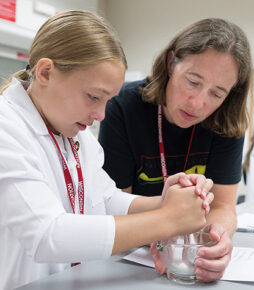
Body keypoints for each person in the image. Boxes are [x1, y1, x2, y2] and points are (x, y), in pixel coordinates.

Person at [0, 11, 215, 290]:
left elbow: (103, 199)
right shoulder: (7, 127)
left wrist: (165, 201)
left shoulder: (75, 131)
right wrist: (167, 220)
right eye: (93, 97)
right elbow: (47, 235)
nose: (101, 115)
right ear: (45, 72)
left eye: (107, 101)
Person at [99, 18, 253, 282]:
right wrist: (165, 228)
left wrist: (215, 239)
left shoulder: (226, 121)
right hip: (129, 257)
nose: (198, 103)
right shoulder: (124, 107)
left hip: (187, 253)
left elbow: (225, 206)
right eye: (193, 81)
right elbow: (114, 206)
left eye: (217, 94)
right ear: (171, 63)